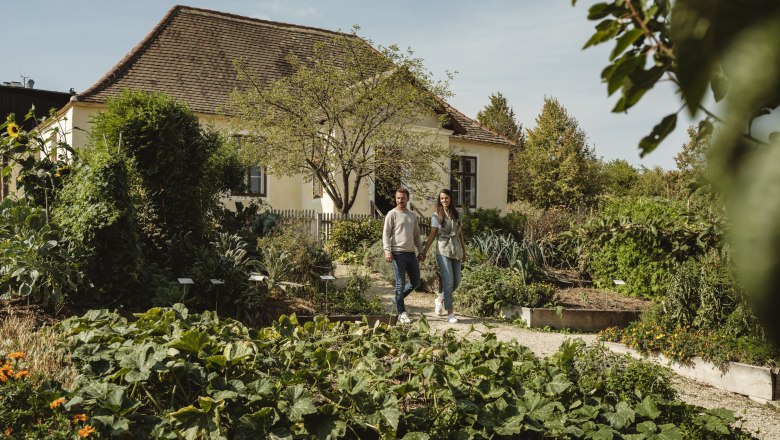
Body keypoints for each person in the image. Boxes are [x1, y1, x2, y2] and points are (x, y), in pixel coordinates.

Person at [420, 189, 467, 324]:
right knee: (448, 281)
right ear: (439, 200)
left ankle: (439, 299)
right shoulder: (436, 216)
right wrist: (424, 250)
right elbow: (433, 234)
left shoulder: (458, 214)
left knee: (456, 281)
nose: (444, 201)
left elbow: (460, 234)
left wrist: (464, 251)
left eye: (446, 198)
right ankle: (450, 313)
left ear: (451, 199)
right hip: (442, 250)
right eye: (441, 199)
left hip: (456, 249)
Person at [382, 188, 423, 324]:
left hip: (411, 253)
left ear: (407, 199)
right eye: (398, 198)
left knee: (416, 282)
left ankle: (397, 299)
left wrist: (421, 250)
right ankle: (401, 312)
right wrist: (387, 251)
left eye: (402, 198)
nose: (400, 200)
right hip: (397, 253)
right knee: (399, 284)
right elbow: (386, 234)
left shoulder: (412, 215)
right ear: (396, 199)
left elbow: (416, 235)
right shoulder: (391, 214)